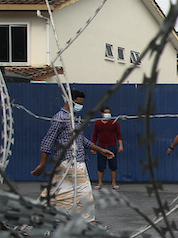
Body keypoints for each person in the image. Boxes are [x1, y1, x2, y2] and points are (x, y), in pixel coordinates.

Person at [31, 89, 115, 223]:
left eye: (81, 103)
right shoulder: (60, 118)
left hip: (71, 162)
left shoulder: (73, 118)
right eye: (78, 103)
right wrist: (42, 163)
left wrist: (100, 150)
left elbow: (82, 139)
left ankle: (34, 216)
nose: (80, 106)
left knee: (56, 191)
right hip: (71, 161)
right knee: (84, 191)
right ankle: (89, 222)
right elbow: (47, 140)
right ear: (69, 101)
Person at [92, 105, 123, 190]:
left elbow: (119, 135)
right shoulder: (97, 123)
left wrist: (120, 145)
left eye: (109, 113)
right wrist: (93, 147)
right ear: (102, 114)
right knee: (100, 166)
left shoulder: (114, 122)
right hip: (101, 147)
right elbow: (94, 136)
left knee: (113, 166)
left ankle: (114, 183)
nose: (107, 114)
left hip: (112, 147)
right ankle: (99, 183)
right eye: (106, 113)